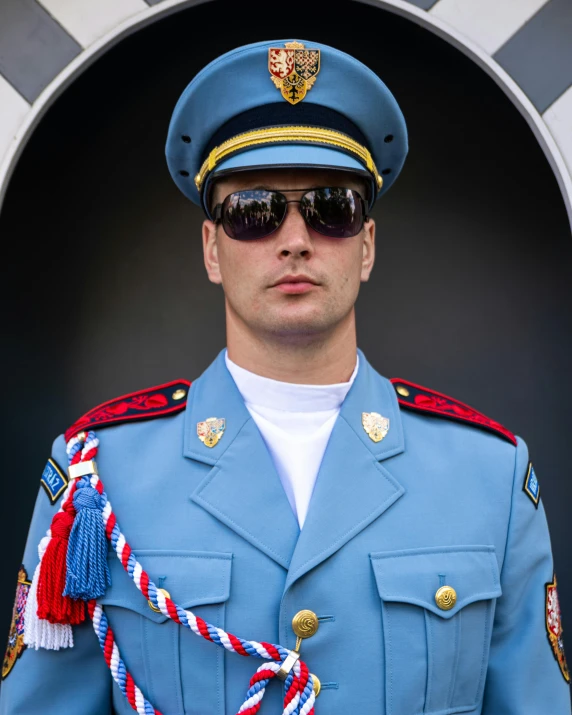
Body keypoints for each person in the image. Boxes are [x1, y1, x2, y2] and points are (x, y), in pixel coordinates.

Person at [1, 37, 570, 715]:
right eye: (254, 211)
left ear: (367, 245)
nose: (294, 238)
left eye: (331, 208)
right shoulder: (97, 476)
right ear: (212, 248)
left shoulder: (491, 476)